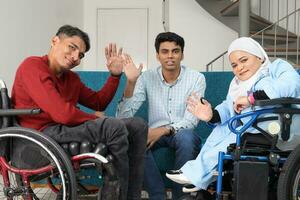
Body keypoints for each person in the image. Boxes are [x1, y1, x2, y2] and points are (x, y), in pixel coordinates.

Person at [11, 24, 148, 200]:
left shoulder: (70, 78)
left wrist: (114, 76)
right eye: (72, 47)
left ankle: (131, 196)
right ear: (55, 41)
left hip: (61, 129)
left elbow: (98, 102)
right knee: (112, 127)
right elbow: (63, 114)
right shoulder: (32, 66)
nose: (75, 57)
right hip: (39, 135)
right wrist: (95, 119)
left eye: (81, 55)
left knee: (137, 126)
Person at [166, 37, 300, 195]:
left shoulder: (277, 67)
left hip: (280, 128)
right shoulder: (237, 85)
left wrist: (252, 99)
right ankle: (201, 176)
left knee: (236, 134)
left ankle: (198, 175)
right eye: (234, 65)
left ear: (259, 56)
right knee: (222, 128)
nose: (240, 68)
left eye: (244, 60)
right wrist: (212, 115)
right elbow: (228, 107)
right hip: (252, 128)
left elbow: (291, 84)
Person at [116, 32, 205, 199]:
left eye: (175, 51)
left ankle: (181, 197)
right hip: (153, 132)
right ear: (157, 56)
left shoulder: (196, 78)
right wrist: (131, 82)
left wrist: (163, 130)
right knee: (134, 138)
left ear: (182, 54)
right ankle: (158, 197)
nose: (170, 56)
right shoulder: (147, 77)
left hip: (181, 132)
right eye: (165, 51)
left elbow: (191, 121)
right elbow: (123, 117)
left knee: (187, 137)